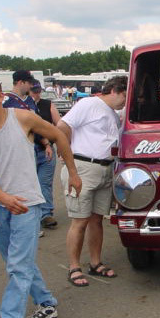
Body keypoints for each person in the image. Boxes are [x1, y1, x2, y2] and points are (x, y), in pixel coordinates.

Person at [0, 76, 82, 318]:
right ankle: (47, 303)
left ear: (0, 96)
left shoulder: (22, 118)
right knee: (17, 261)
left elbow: (59, 135)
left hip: (27, 205)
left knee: (18, 265)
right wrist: (2, 197)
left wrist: (73, 173)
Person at [57, 75, 127, 287]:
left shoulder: (113, 115)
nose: (125, 100)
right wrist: (70, 162)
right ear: (114, 90)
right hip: (83, 167)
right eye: (124, 95)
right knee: (79, 220)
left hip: (104, 169)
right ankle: (74, 267)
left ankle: (95, 263)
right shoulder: (89, 104)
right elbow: (61, 126)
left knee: (97, 220)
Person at [3, 71, 58, 231]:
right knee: (25, 186)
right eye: (29, 83)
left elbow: (37, 125)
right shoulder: (7, 102)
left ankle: (45, 214)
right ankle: (26, 219)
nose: (31, 86)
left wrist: (47, 143)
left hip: (39, 147)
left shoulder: (29, 101)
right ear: (21, 82)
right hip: (20, 151)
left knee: (44, 183)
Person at [29, 80, 61, 229]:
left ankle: (46, 214)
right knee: (29, 184)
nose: (37, 93)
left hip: (46, 151)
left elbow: (59, 124)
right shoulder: (23, 107)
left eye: (38, 90)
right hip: (30, 150)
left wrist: (60, 142)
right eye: (34, 91)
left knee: (44, 183)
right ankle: (31, 216)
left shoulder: (47, 104)